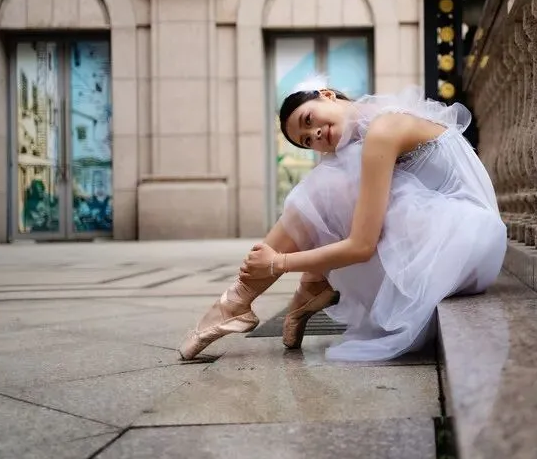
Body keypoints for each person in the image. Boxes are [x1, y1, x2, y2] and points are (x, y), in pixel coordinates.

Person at [178, 80, 507, 362]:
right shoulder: (366, 131)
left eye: (309, 120)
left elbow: (362, 246)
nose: (316, 134)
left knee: (325, 185)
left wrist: (278, 263)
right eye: (307, 140)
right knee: (333, 177)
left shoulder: (383, 129)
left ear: (327, 95)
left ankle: (237, 301)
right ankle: (301, 287)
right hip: (465, 245)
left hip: (461, 242)